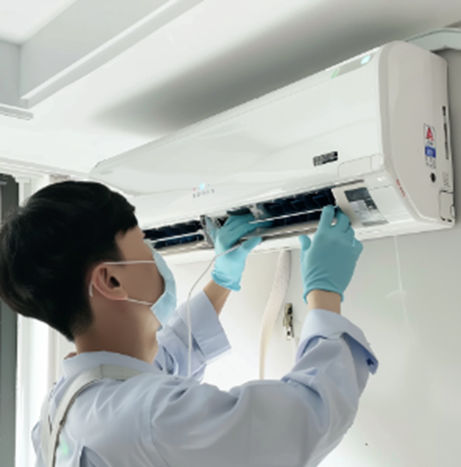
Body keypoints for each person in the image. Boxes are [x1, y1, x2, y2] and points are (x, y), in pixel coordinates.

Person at [0, 181, 378, 467]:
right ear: (111, 280)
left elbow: (164, 359)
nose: (153, 252)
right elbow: (303, 422)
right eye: (142, 242)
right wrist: (324, 294)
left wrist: (222, 280)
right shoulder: (149, 417)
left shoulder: (64, 405)